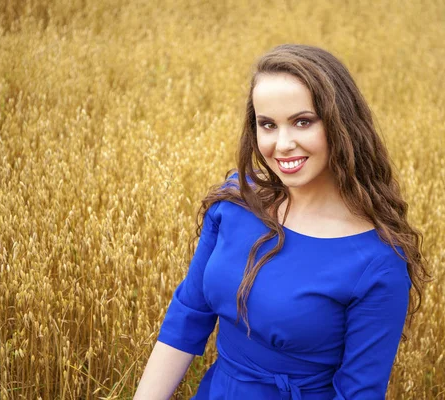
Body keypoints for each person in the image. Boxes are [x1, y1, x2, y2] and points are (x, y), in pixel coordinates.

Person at [134, 44, 429, 400]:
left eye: (302, 122)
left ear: (340, 123)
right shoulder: (235, 201)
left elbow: (358, 393)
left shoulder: (378, 261)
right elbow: (188, 314)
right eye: (268, 125)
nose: (282, 143)